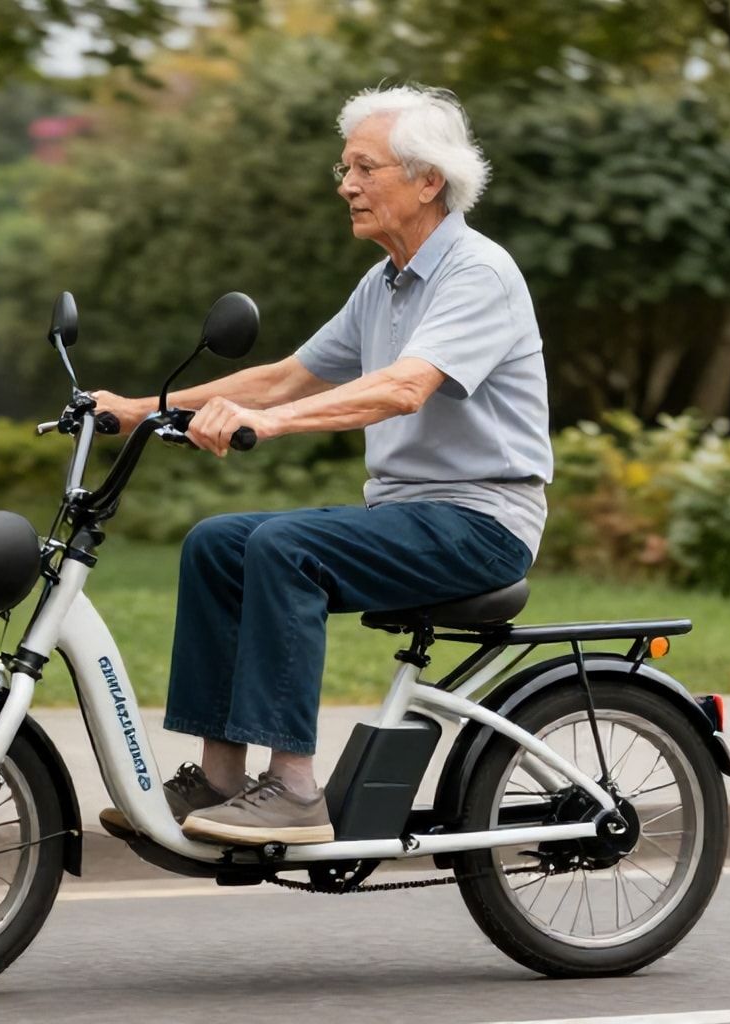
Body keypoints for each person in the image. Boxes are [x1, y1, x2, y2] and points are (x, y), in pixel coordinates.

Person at [91, 84, 552, 846]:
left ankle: (295, 790)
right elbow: (285, 378)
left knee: (286, 548)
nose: (346, 185)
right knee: (217, 544)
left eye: (365, 168)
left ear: (428, 180)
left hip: (482, 524)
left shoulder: (479, 273)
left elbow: (404, 388)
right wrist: (139, 409)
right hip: (408, 517)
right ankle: (220, 779)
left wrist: (268, 426)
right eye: (346, 168)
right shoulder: (384, 284)